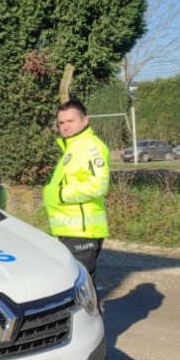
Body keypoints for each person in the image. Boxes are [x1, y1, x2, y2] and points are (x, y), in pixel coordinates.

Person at [43, 100, 110, 283]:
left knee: (81, 291)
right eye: (62, 123)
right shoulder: (72, 148)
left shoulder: (91, 147)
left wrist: (58, 194)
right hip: (70, 230)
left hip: (82, 231)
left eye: (70, 121)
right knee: (76, 290)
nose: (65, 127)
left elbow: (98, 186)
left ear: (85, 121)